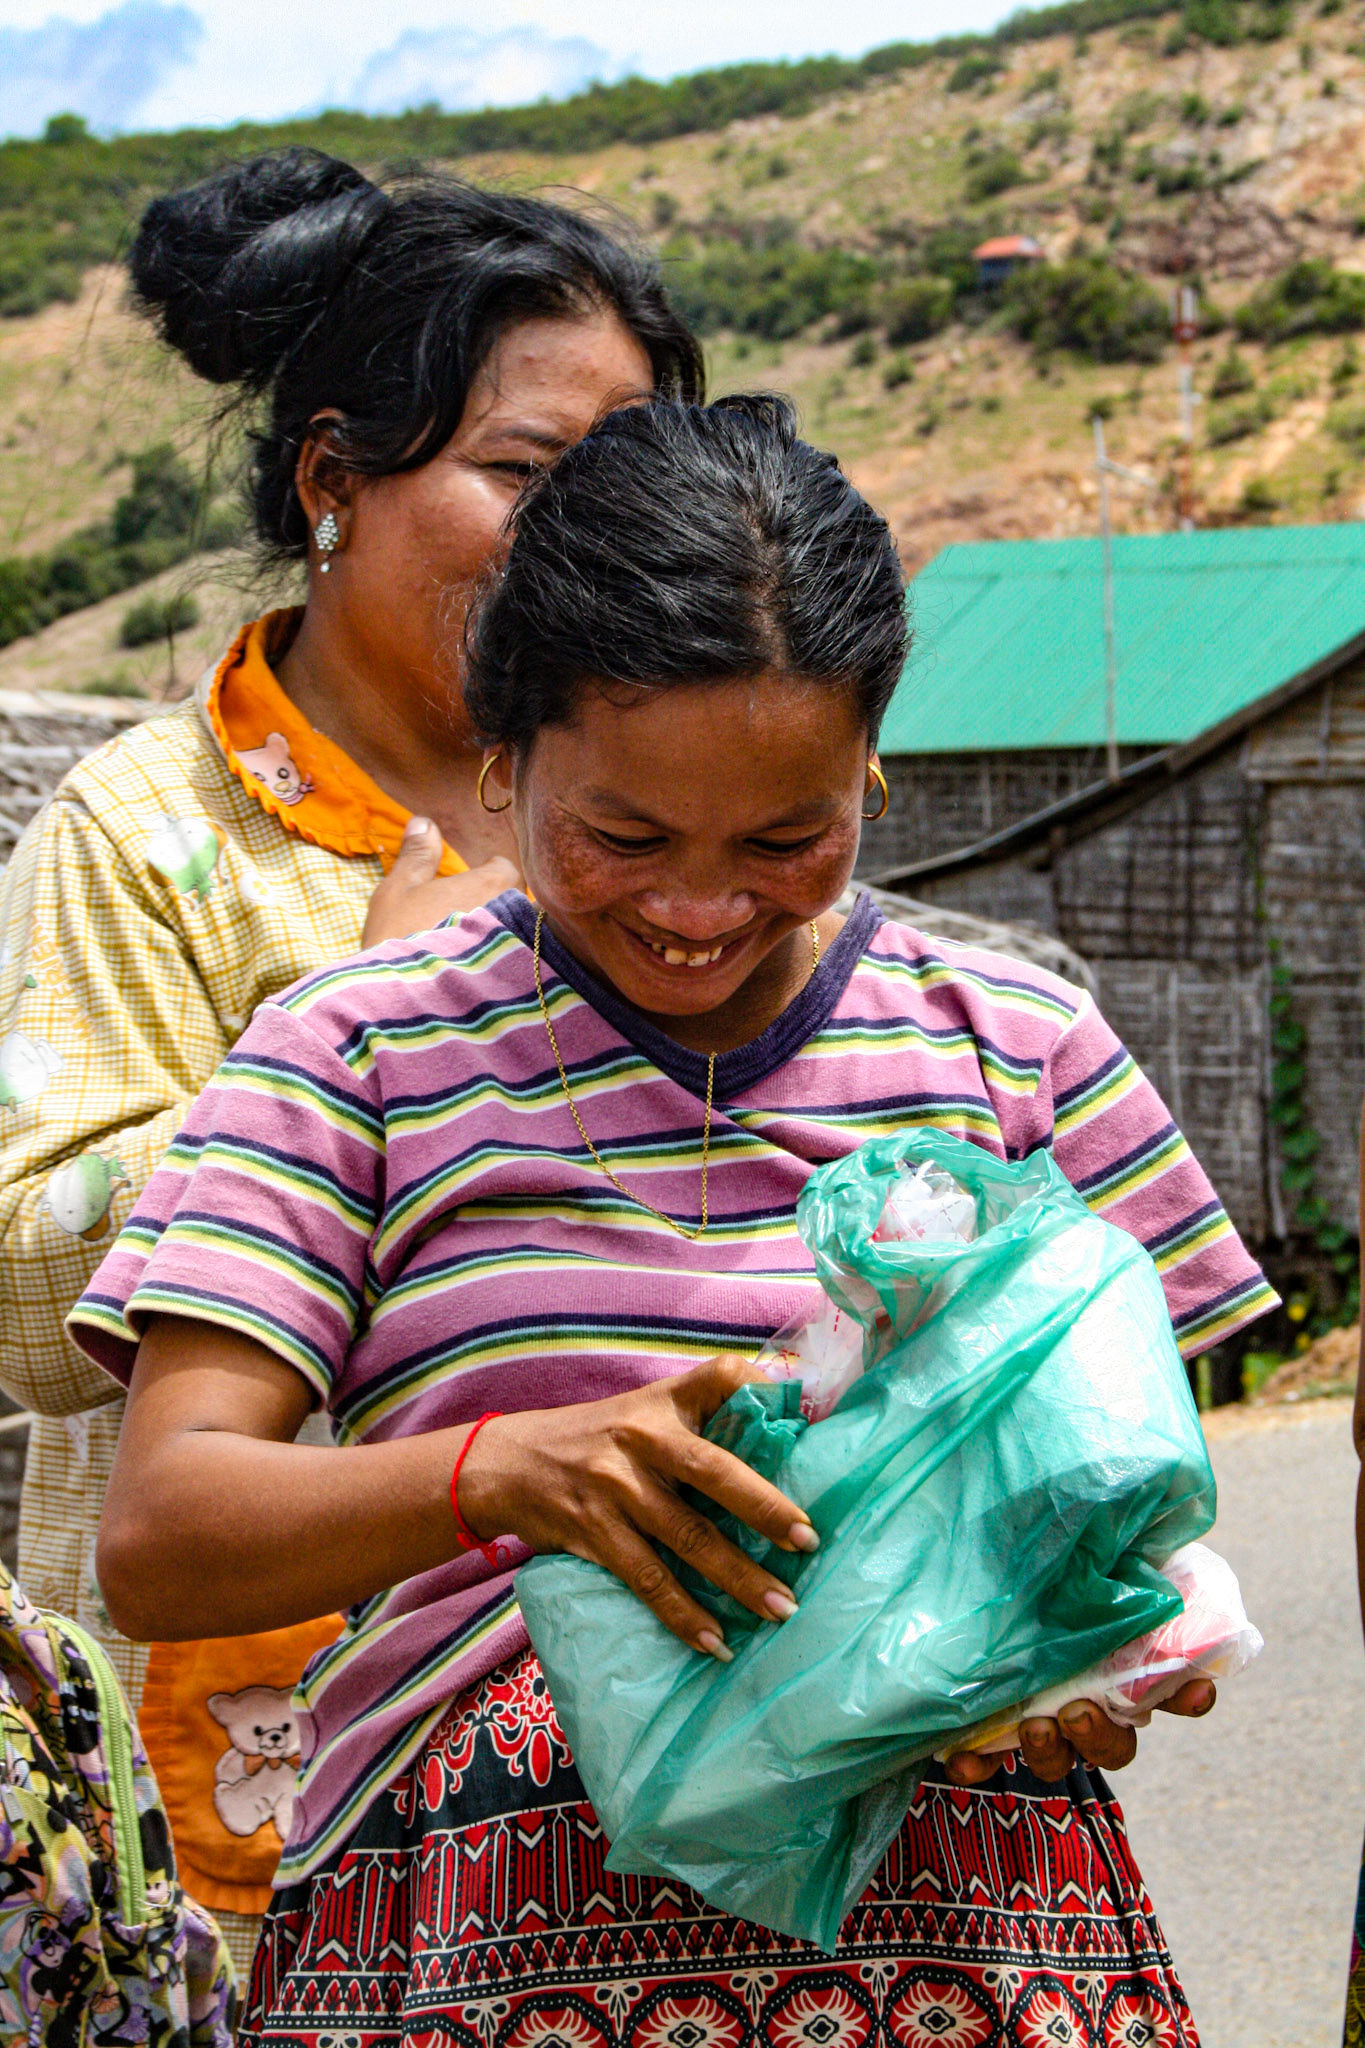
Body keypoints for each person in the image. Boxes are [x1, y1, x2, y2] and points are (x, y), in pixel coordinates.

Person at [71, 395, 1277, 2046]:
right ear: (502, 759)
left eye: (788, 839)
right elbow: (160, 1537)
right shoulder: (351, 1052)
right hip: (481, 1939)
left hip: (955, 1936)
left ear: (869, 763)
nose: (700, 909)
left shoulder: (1016, 1045)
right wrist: (501, 1473)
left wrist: (1074, 1664)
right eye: (618, 836)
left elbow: (1126, 1512)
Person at [0, 144, 700, 1972]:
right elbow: (11, 1290)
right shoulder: (152, 833)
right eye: (522, 478)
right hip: (267, 1747)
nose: (581, 543)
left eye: (619, 491)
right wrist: (334, 1063)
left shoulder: (650, 813)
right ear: (336, 480)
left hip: (662, 1728)